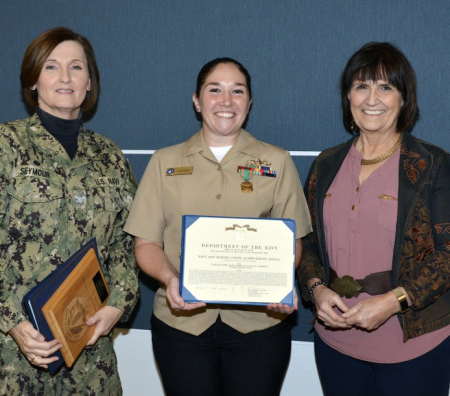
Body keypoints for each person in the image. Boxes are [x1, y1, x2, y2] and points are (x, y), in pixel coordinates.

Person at [124, 57, 312, 396]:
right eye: (215, 90)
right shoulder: (164, 162)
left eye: (237, 91)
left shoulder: (277, 162)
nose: (226, 101)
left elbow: (293, 241)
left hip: (260, 327)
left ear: (249, 102)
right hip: (181, 325)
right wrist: (170, 279)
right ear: (196, 100)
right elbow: (146, 244)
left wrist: (278, 282)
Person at [297, 42, 450, 396]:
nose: (372, 98)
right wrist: (316, 289)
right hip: (335, 344)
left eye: (386, 87)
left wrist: (395, 300)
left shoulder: (433, 165)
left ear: (403, 98)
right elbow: (307, 241)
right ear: (348, 96)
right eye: (361, 86)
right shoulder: (325, 164)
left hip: (414, 345)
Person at [0, 27, 139, 395]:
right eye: (51, 67)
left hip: (90, 356)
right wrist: (11, 321)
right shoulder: (6, 145)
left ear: (89, 82)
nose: (65, 77)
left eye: (76, 67)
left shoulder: (110, 156)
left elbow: (128, 243)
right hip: (14, 354)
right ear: (32, 81)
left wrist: (118, 305)